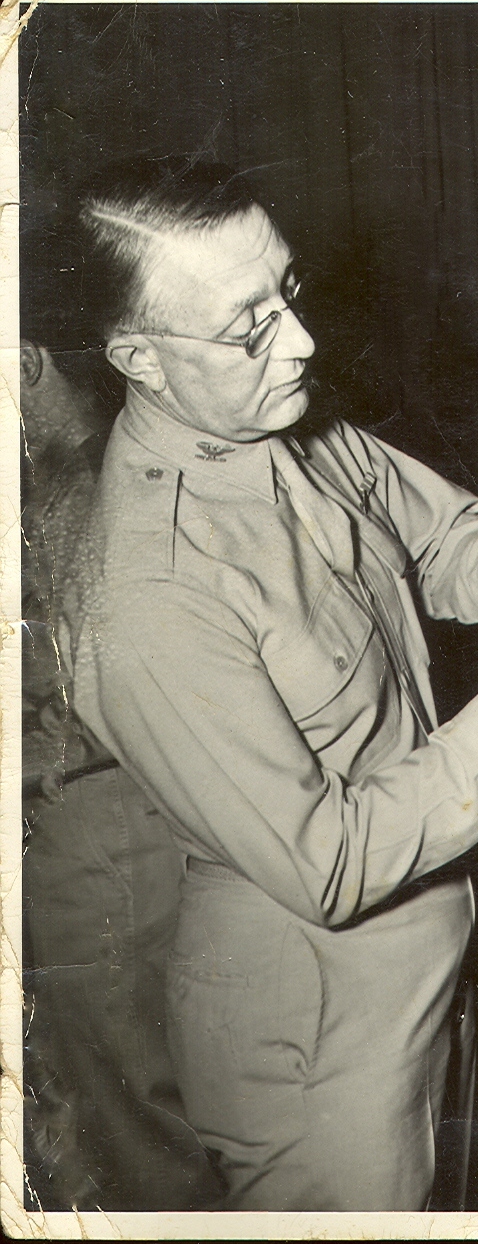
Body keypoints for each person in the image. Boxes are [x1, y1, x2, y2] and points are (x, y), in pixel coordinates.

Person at [65, 156, 478, 1212]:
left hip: (425, 976)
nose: (302, 341)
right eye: (249, 325)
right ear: (138, 356)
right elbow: (329, 863)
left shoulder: (275, 421)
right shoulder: (147, 595)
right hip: (318, 1052)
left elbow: (435, 535)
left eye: (291, 293)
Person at [20, 228, 221, 1210]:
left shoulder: (78, 493)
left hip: (98, 842)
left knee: (139, 1140)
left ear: (23, 365)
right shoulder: (92, 477)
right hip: (99, 840)